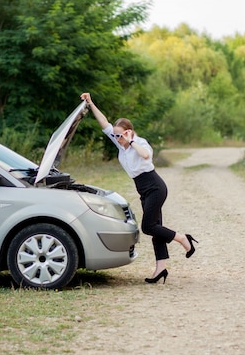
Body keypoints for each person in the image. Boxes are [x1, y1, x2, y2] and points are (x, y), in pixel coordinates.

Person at [80, 92, 198, 284]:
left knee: (148, 227)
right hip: (143, 190)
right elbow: (105, 124)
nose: (117, 138)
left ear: (129, 132)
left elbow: (145, 156)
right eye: (116, 135)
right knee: (156, 228)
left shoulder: (139, 142)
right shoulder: (121, 145)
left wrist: (132, 140)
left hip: (155, 187)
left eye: (120, 135)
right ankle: (161, 268)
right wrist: (90, 103)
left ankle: (184, 239)